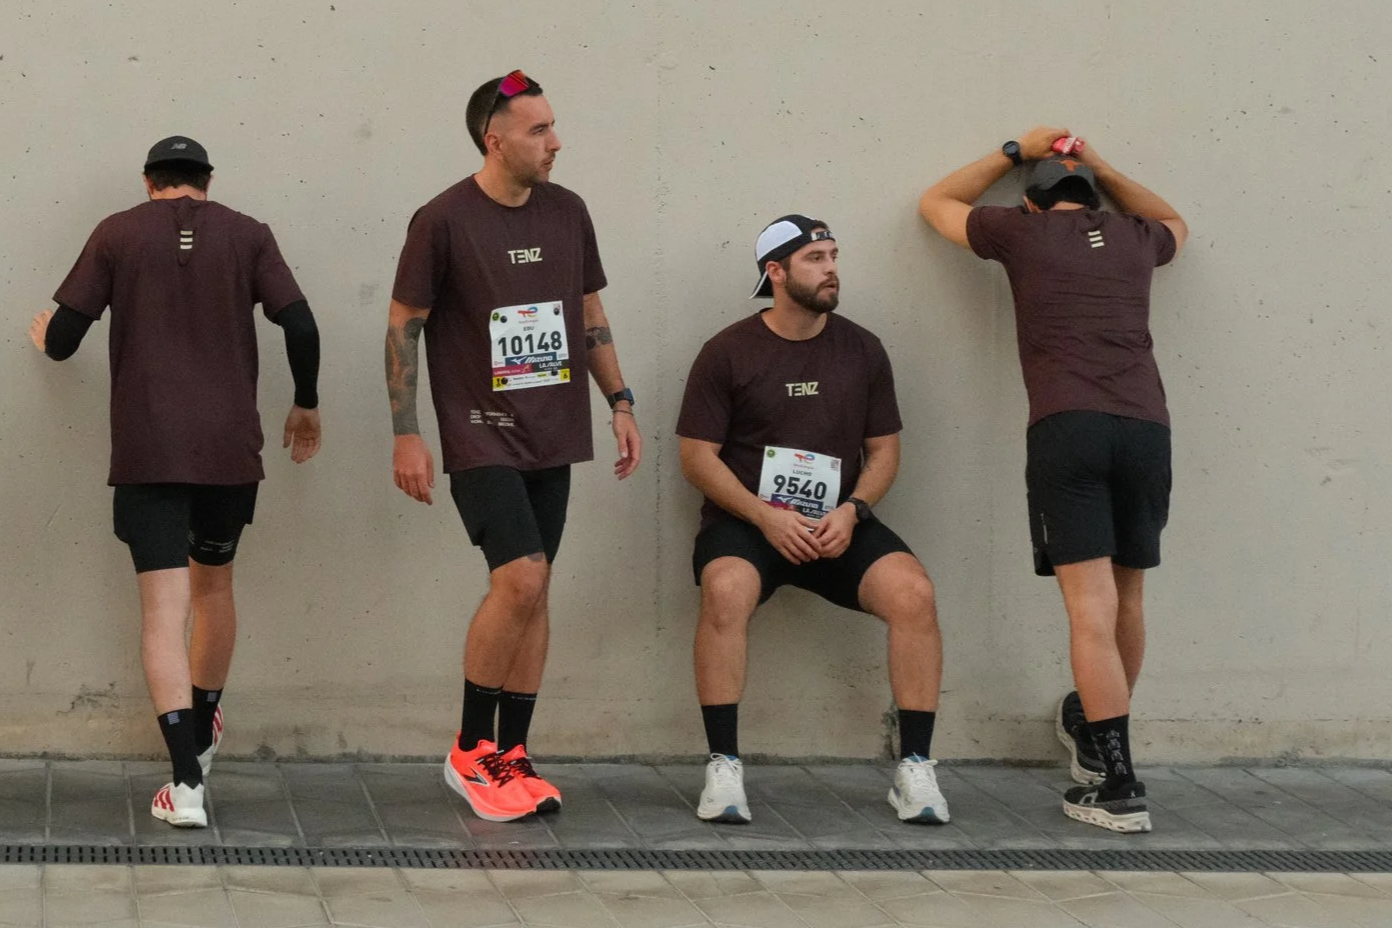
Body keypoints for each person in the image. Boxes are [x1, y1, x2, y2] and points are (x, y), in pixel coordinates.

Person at [28, 135, 322, 828]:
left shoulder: (117, 233)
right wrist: (305, 401)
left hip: (149, 449)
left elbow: (67, 336)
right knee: (213, 585)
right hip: (229, 450)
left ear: (148, 180)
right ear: (207, 181)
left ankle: (185, 784)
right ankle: (206, 720)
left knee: (163, 609)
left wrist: (46, 338)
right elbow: (301, 322)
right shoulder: (248, 235)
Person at [384, 70, 641, 823]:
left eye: (554, 126)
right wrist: (408, 433)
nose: (555, 141)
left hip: (554, 427)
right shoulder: (441, 220)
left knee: (538, 588)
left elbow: (589, 310)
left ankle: (513, 754)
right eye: (539, 130)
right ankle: (470, 750)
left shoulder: (569, 213)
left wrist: (619, 400)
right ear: (495, 141)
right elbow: (404, 327)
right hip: (479, 430)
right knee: (520, 578)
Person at [919, 126, 1188, 833]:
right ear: (1090, 197)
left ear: (1034, 205)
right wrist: (1100, 161)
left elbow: (936, 202)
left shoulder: (1019, 234)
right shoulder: (1134, 237)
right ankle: (1101, 752)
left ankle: (1120, 785)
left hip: (1069, 429)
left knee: (1088, 610)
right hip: (1146, 428)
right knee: (1128, 599)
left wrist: (1012, 151)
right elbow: (1176, 223)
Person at [675, 214, 949, 825]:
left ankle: (916, 769)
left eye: (833, 256)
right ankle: (723, 767)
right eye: (814, 258)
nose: (831, 269)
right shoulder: (727, 351)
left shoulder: (863, 348)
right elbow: (697, 458)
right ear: (775, 272)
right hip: (748, 524)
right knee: (725, 590)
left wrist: (853, 511)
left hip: (837, 524)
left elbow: (884, 452)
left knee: (915, 594)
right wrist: (765, 518)